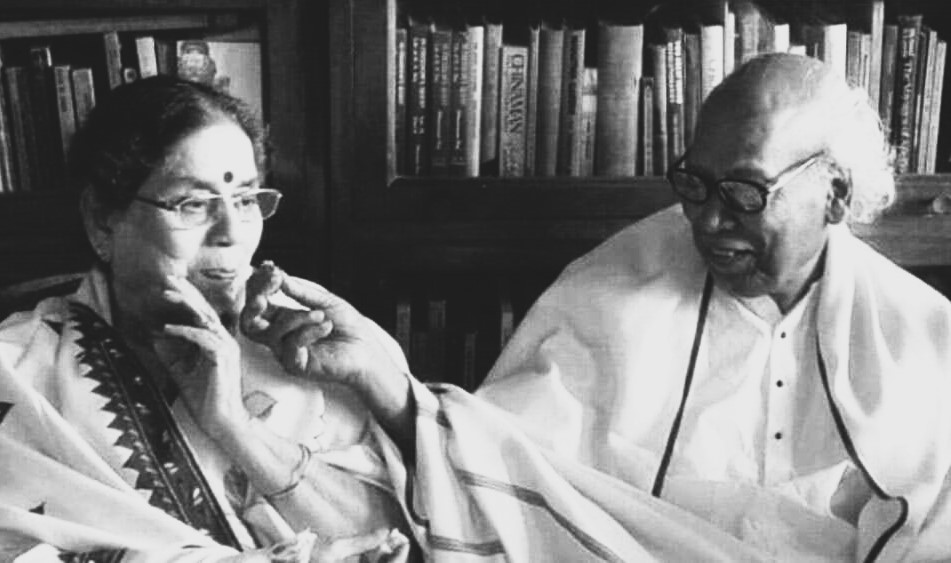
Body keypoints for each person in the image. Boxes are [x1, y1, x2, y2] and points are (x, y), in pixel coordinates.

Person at [239, 53, 951, 561]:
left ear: (834, 193)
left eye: (744, 192)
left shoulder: (924, 339)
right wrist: (382, 380)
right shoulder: (614, 287)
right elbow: (499, 476)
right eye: (693, 184)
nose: (707, 221)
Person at [0, 76, 411, 562]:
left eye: (246, 200)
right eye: (193, 204)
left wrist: (235, 426)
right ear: (102, 220)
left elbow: (408, 537)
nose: (232, 232)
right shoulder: (18, 372)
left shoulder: (318, 343)